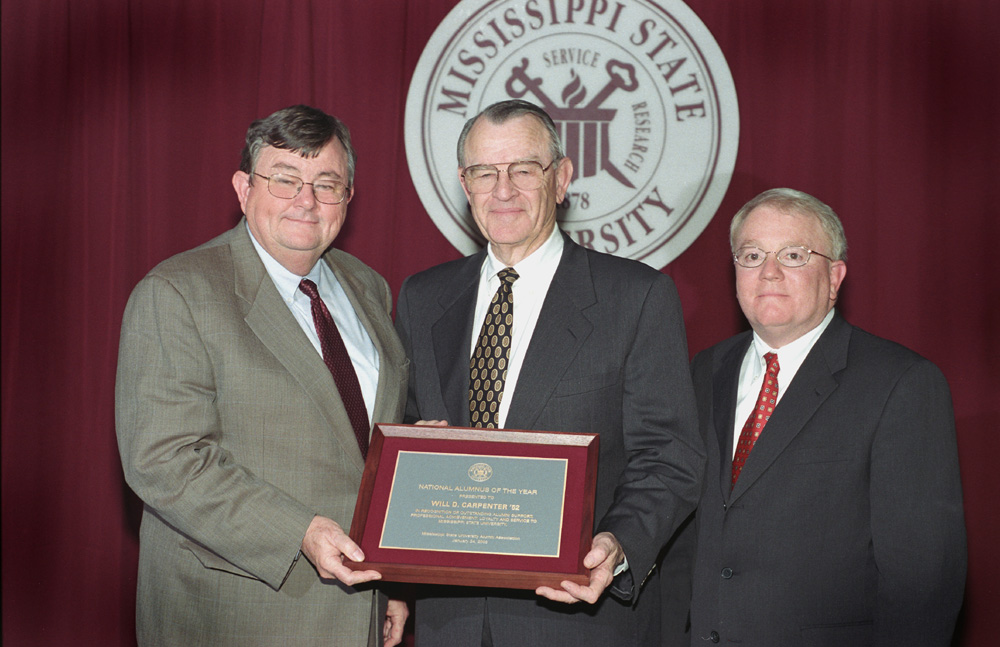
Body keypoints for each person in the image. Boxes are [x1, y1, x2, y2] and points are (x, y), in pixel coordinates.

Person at [394, 99, 704, 647]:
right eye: (485, 172)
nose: (503, 189)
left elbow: (670, 457)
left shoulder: (634, 298)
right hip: (450, 622)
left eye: (523, 169)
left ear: (561, 179)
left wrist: (618, 545)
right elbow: (407, 434)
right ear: (464, 186)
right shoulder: (424, 297)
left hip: (573, 620)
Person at [116, 105, 409, 646]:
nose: (307, 199)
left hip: (358, 606)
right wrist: (299, 531)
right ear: (243, 188)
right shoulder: (178, 292)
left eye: (327, 183)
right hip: (239, 611)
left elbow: (366, 448)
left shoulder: (368, 287)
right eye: (285, 179)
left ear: (349, 196)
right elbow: (164, 460)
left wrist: (395, 579)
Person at [688, 188, 966, 646]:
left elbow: (924, 581)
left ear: (834, 277)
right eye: (752, 254)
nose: (769, 271)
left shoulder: (901, 383)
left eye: (794, 255)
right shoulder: (706, 369)